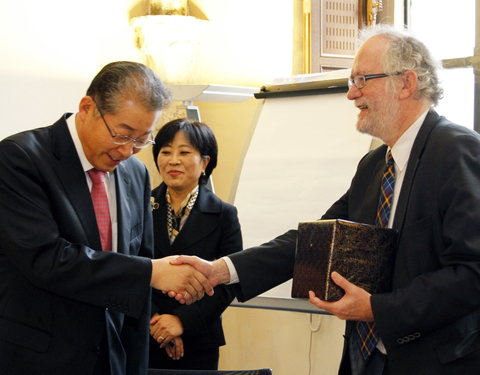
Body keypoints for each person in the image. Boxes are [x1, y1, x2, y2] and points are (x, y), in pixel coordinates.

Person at [172, 26, 480, 374]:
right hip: (365, 359)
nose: (351, 94)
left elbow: (471, 272)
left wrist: (379, 309)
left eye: (362, 79)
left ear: (406, 83)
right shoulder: (375, 165)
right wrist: (221, 270)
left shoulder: (457, 151)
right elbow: (312, 242)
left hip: (435, 362)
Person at [0, 61, 213, 375]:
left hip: (112, 359)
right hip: (39, 358)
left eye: (142, 140)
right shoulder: (20, 158)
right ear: (87, 108)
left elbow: (138, 265)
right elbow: (46, 258)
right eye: (122, 135)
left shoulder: (135, 173)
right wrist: (151, 273)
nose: (128, 151)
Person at [148, 118, 242, 370]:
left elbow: (229, 282)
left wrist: (180, 322)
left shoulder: (224, 214)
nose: (173, 160)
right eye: (165, 152)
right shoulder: (139, 206)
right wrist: (155, 321)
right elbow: (128, 265)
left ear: (205, 162)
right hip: (144, 332)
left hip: (198, 338)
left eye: (184, 152)